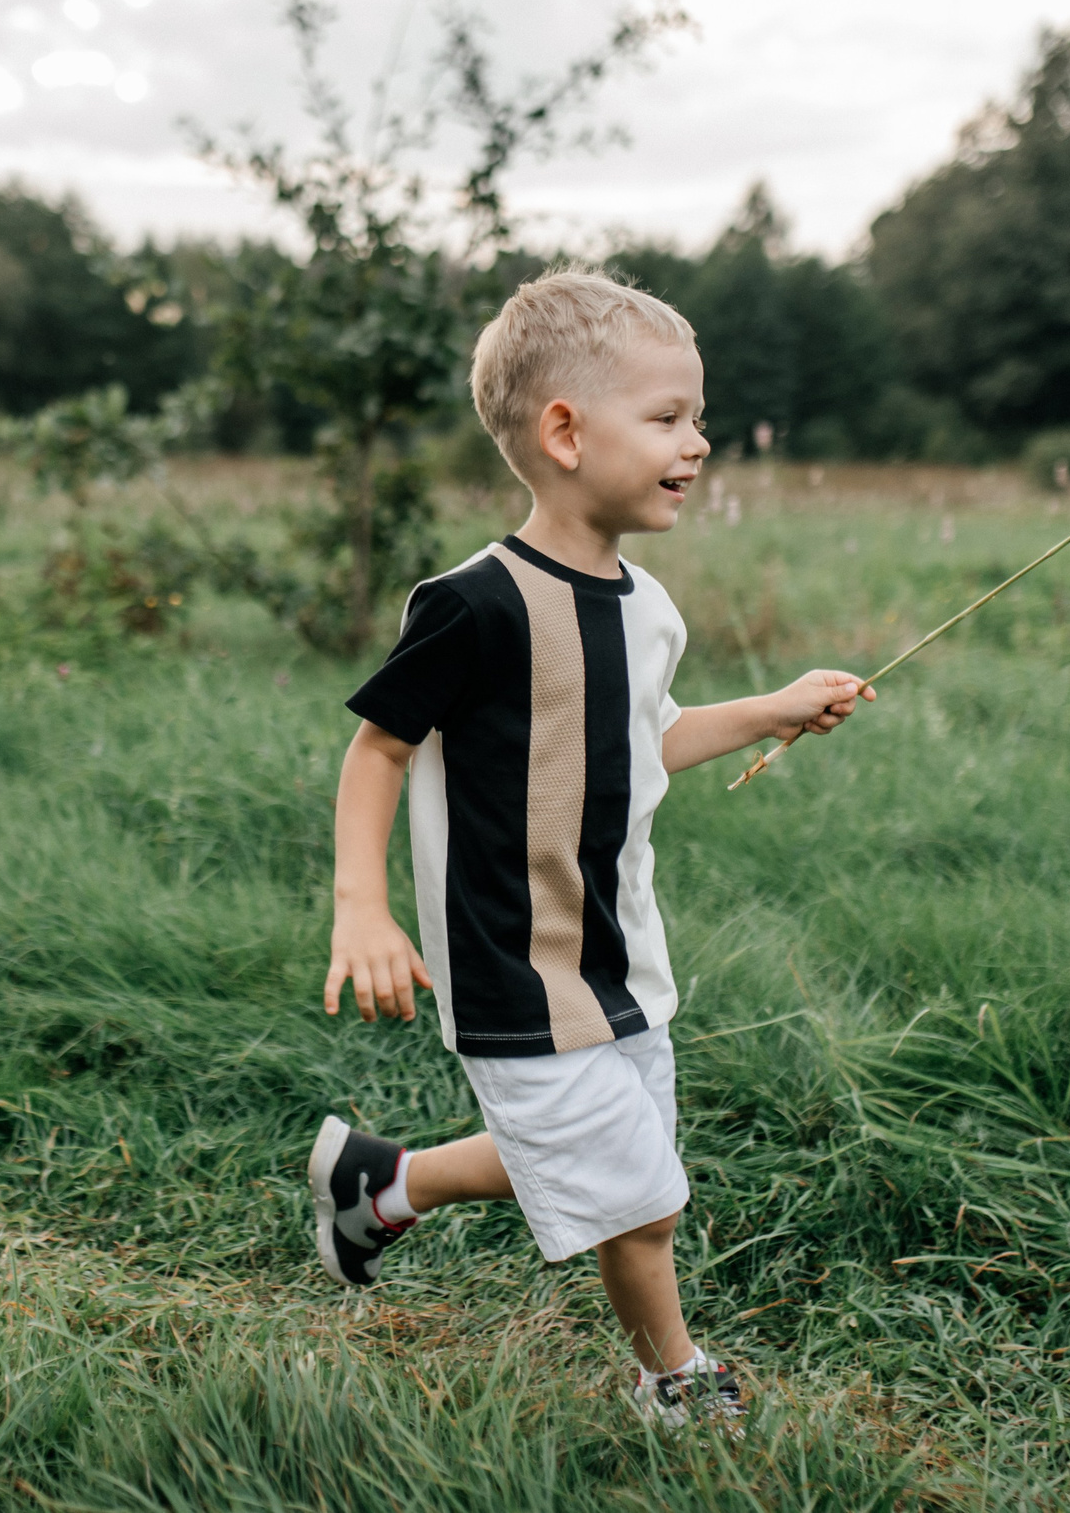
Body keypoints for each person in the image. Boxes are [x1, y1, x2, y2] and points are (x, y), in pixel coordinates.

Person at [308, 267, 872, 1428]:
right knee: (642, 1201)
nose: (698, 442)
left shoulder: (648, 607)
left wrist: (768, 707)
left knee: (591, 1148)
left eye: (698, 418)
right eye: (667, 417)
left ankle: (379, 1185)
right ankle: (675, 1380)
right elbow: (377, 750)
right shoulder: (474, 604)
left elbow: (646, 745)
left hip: (621, 957)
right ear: (564, 431)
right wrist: (361, 906)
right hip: (514, 966)